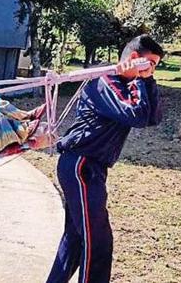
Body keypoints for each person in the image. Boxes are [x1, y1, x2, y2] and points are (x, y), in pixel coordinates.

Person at [46, 34, 164, 283]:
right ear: (134, 59)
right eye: (150, 63)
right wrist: (140, 82)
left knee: (77, 237)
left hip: (90, 166)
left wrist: (146, 80)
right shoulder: (105, 81)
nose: (152, 70)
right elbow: (137, 115)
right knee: (98, 240)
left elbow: (153, 117)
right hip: (80, 163)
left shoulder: (124, 83)